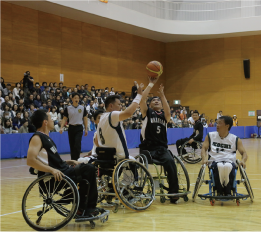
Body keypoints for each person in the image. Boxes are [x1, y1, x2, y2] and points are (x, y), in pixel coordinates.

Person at [27, 110, 103, 216]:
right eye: (50, 119)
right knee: (88, 169)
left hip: (62, 171)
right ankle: (84, 208)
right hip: (52, 178)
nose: (54, 121)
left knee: (87, 169)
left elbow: (52, 162)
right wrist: (52, 170)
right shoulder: (37, 138)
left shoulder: (47, 138)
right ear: (45, 122)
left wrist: (68, 161)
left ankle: (83, 206)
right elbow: (30, 160)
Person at [139, 77, 179, 203]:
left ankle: (173, 192)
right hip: (148, 148)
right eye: (154, 100)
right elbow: (142, 99)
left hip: (161, 148)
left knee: (171, 163)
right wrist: (150, 84)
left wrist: (162, 95)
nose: (156, 101)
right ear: (150, 104)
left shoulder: (165, 116)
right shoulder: (147, 113)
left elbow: (167, 110)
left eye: (158, 100)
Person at [95, 82, 144, 161]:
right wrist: (139, 95)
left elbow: (96, 141)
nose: (121, 106)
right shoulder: (112, 115)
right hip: (119, 157)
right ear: (111, 106)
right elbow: (128, 113)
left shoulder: (101, 118)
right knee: (135, 163)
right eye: (119, 104)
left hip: (104, 157)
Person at [201, 116, 248, 196]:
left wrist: (243, 161)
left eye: (220, 123)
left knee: (227, 166)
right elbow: (204, 148)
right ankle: (219, 190)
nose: (217, 125)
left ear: (227, 126)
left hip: (229, 162)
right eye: (217, 123)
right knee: (220, 165)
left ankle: (228, 190)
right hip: (214, 161)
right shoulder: (210, 136)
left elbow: (244, 153)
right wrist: (204, 158)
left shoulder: (235, 139)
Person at [59, 93, 88, 160]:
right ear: (72, 99)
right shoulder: (68, 108)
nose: (76, 99)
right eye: (75, 98)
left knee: (77, 144)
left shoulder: (82, 108)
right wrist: (61, 128)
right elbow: (64, 119)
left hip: (79, 128)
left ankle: (77, 159)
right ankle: (73, 160)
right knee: (72, 145)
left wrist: (86, 129)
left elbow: (85, 119)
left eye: (77, 98)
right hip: (71, 128)